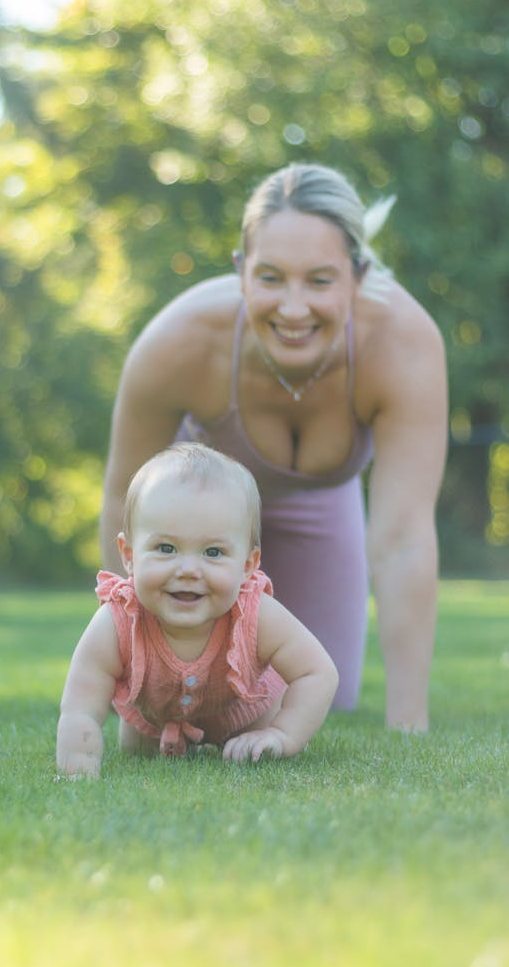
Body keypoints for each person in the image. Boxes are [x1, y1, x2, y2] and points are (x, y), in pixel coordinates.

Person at [100, 163, 447, 731]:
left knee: (322, 694)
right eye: (270, 278)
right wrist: (132, 684)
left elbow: (403, 538)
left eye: (319, 280)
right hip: (195, 516)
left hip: (321, 507)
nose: (292, 308)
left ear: (357, 275)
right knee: (205, 707)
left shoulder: (404, 345)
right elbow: (123, 500)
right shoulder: (179, 340)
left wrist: (409, 720)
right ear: (240, 272)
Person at [56, 443, 338, 778]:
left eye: (214, 552)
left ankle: (258, 737)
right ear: (129, 555)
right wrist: (78, 765)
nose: (188, 569)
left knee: (258, 753)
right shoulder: (118, 619)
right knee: (138, 753)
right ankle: (161, 737)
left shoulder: (256, 613)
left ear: (248, 564)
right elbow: (80, 705)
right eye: (166, 548)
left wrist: (282, 734)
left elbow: (317, 672)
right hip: (153, 722)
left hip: (248, 717)